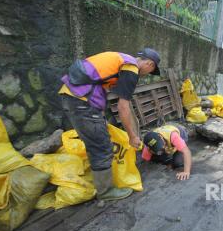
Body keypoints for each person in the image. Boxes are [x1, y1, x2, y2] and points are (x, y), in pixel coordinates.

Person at [58, 48, 161, 201]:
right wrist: (132, 137)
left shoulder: (121, 59)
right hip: (81, 101)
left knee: (95, 141)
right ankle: (105, 192)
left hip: (72, 96)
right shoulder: (131, 69)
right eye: (150, 71)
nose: (146, 75)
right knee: (102, 147)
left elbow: (98, 84)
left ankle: (98, 181)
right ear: (150, 64)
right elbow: (123, 107)